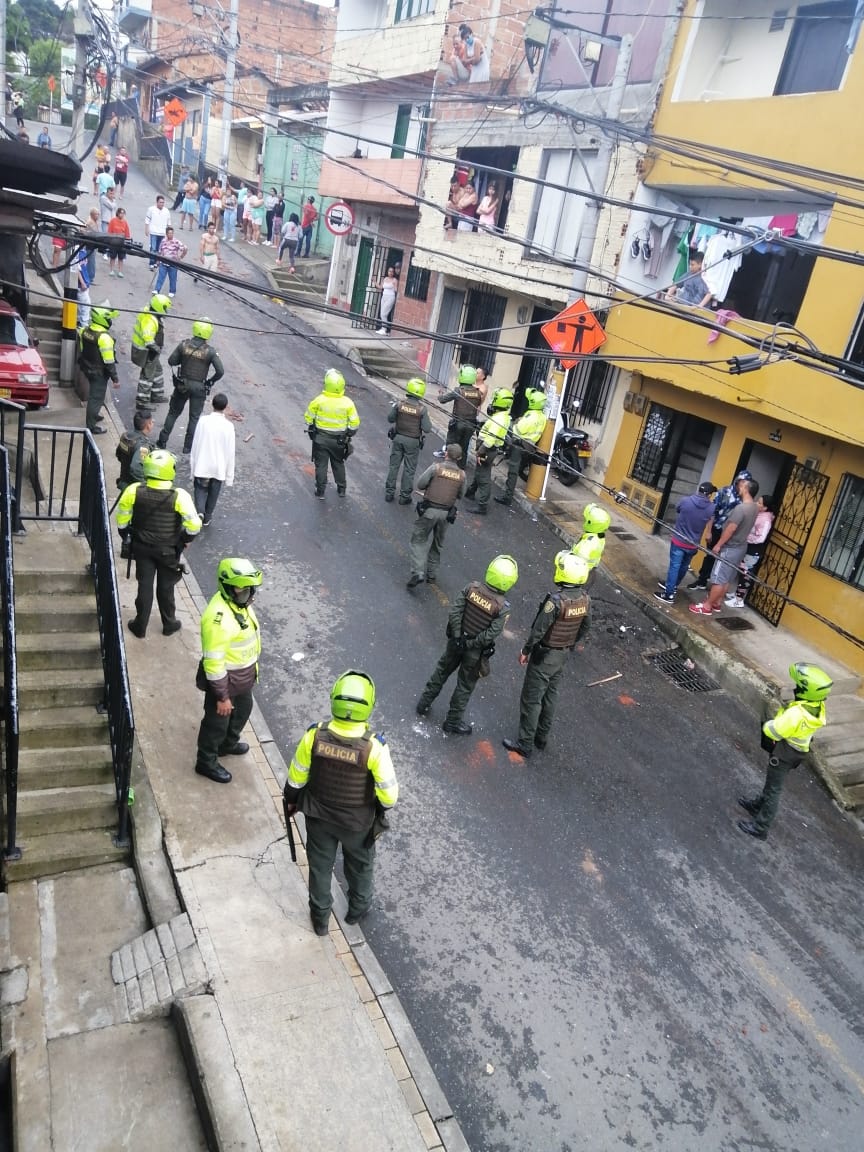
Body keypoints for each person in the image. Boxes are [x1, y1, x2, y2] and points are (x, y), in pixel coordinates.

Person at [283, 670, 398, 935]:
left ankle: (321, 920)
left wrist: (291, 802)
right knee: (360, 866)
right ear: (369, 705)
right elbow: (389, 796)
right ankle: (356, 911)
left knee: (320, 868)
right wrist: (376, 810)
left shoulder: (314, 736)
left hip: (318, 818)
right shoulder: (374, 748)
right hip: (356, 823)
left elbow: (296, 779)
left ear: (333, 699)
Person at [503, 552, 591, 758]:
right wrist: (569, 643)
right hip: (562, 655)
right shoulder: (585, 599)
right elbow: (585, 627)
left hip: (544, 656)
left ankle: (524, 743)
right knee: (551, 696)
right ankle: (541, 738)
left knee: (532, 699)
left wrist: (526, 650)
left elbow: (539, 630)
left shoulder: (556, 601)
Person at [416, 554, 518, 734]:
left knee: (441, 671)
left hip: (455, 643)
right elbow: (490, 635)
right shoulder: (503, 608)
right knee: (464, 686)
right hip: (474, 653)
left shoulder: (471, 588)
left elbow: (455, 612)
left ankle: (423, 704)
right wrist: (470, 644)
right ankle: (452, 722)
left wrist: (457, 637)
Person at [738, 663, 831, 840]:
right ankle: (758, 805)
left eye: (799, 686)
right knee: (772, 783)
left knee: (774, 789)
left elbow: (775, 731)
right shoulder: (817, 707)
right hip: (797, 752)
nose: (795, 688)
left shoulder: (797, 713)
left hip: (784, 753)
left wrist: (768, 724)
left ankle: (761, 826)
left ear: (807, 691)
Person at [117, 449, 201, 639]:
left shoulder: (134, 490)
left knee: (144, 586)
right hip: (168, 550)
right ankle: (169, 624)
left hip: (142, 548)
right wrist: (184, 541)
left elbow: (122, 521)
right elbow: (194, 526)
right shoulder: (179, 496)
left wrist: (126, 537)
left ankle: (140, 626)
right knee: (166, 586)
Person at [194, 558, 262, 784]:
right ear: (228, 588)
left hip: (241, 678)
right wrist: (222, 697)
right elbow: (213, 664)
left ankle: (227, 744)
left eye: (249, 589)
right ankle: (206, 761)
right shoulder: (218, 619)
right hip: (224, 682)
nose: (248, 594)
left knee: (244, 709)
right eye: (242, 589)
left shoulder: (237, 604)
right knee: (216, 724)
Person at [690, 477, 760, 616]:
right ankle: (717, 602)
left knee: (718, 578)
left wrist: (719, 545)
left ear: (747, 489)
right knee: (727, 577)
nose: (739, 487)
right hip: (741, 547)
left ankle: (707, 606)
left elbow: (731, 529)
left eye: (742, 485)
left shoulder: (741, 509)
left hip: (730, 547)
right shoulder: (754, 507)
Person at [158, 317, 225, 454]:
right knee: (194, 418)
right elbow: (220, 371)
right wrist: (209, 382)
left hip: (182, 385)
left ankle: (162, 441)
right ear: (208, 333)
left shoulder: (184, 345)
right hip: (199, 388)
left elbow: (171, 361)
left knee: (173, 413)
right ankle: (187, 447)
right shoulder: (210, 351)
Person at [407, 443, 466, 588]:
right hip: (446, 514)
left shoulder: (436, 468)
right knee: (438, 544)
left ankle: (418, 571)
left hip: (429, 511)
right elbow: (461, 494)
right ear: (459, 458)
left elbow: (420, 484)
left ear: (446, 454)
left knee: (419, 540)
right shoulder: (462, 475)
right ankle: (432, 575)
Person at [690, 469, 754, 589]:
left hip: (731, 535)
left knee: (724, 562)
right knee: (710, 556)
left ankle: (716, 588)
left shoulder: (746, 500)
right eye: (741, 482)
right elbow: (712, 512)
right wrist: (708, 531)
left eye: (745, 483)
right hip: (717, 529)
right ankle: (702, 581)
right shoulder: (724, 491)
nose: (742, 485)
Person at [654, 482, 717, 603]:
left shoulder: (685, 501)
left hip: (678, 540)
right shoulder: (711, 508)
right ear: (709, 495)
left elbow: (678, 510)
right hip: (693, 544)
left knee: (674, 567)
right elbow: (711, 518)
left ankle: (669, 594)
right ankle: (672, 586)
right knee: (683, 566)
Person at [304, 368, 360, 498]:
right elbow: (354, 424)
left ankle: (321, 491)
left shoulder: (319, 400)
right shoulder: (348, 403)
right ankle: (341, 489)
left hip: (321, 439)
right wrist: (349, 434)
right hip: (339, 441)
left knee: (321, 465)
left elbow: (308, 418)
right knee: (338, 463)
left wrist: (313, 426)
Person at [465, 387, 514, 515]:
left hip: (487, 450)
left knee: (484, 477)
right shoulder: (502, 416)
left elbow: (490, 439)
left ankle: (482, 506)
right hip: (488, 449)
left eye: (495, 399)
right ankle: (470, 492)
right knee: (480, 471)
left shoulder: (498, 419)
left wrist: (480, 451)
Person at [189, 392, 235, 526]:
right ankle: (207, 516)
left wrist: (193, 466)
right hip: (219, 467)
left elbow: (195, 443)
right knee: (214, 492)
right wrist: (229, 476)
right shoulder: (229, 426)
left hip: (203, 463)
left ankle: (199, 511)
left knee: (200, 488)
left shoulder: (203, 421)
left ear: (212, 405)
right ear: (225, 407)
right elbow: (230, 452)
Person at [495, 387, 546, 506]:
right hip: (530, 446)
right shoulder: (542, 416)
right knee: (517, 469)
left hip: (520, 444)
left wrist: (517, 423)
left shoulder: (531, 417)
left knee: (513, 472)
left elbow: (517, 430)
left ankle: (507, 497)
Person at [385, 377, 432, 504]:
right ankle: (404, 497)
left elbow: (390, 419)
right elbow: (427, 429)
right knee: (409, 469)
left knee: (394, 466)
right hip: (413, 442)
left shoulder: (399, 404)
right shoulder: (422, 409)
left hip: (398, 438)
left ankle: (389, 493)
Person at [78, 305, 119, 434]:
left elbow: (82, 348)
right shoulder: (105, 338)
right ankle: (90, 426)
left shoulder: (84, 330)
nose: (110, 321)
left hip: (87, 367)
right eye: (108, 318)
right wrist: (115, 379)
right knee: (96, 398)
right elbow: (109, 362)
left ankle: (94, 415)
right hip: (99, 373)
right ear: (102, 319)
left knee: (95, 397)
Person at [728, 494, 775, 607]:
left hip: (753, 550)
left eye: (759, 503)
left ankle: (739, 600)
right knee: (742, 570)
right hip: (748, 547)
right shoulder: (759, 515)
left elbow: (761, 538)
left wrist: (746, 537)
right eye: (757, 501)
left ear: (765, 508)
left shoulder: (766, 519)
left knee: (746, 573)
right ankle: (736, 594)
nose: (756, 504)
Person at [131, 293, 171, 410]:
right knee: (147, 376)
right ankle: (142, 401)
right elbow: (148, 341)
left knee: (157, 371)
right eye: (165, 308)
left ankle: (156, 395)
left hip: (149, 352)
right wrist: (157, 349)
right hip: (147, 352)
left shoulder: (150, 313)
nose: (167, 311)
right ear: (159, 307)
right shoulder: (150, 320)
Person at [436, 364, 483, 462]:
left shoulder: (458, 391)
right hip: (471, 425)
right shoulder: (478, 393)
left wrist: (440, 393)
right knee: (464, 448)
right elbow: (477, 405)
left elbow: (442, 400)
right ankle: (461, 469)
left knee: (451, 446)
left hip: (458, 424)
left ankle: (449, 467)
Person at [115, 409, 154, 490]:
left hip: (123, 482)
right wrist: (144, 486)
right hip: (132, 489)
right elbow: (136, 468)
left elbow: (118, 454)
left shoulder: (126, 436)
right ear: (148, 425)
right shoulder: (143, 447)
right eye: (152, 422)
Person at [570, 503, 612, 575]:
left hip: (578, 572)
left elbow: (579, 561)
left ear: (591, 523)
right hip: (589, 570)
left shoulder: (590, 541)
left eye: (586, 520)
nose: (585, 521)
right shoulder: (599, 536)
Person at [154, 226, 188, 297]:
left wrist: (181, 257)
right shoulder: (163, 241)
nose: (171, 234)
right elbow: (160, 251)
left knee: (173, 278)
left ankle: (172, 291)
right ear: (166, 234)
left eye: (172, 233)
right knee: (160, 277)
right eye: (169, 233)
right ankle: (157, 290)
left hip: (173, 263)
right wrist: (157, 260)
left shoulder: (176, 241)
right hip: (163, 262)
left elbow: (185, 248)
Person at [144, 194, 171, 270]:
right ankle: (151, 263)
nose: (162, 204)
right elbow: (147, 220)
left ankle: (156, 262)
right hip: (153, 232)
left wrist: (169, 234)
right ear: (157, 202)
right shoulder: (151, 209)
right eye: (160, 202)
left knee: (160, 249)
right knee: (153, 248)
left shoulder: (166, 211)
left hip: (162, 233)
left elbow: (169, 223)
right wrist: (146, 229)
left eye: (163, 202)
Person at [107, 206, 131, 277]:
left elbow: (127, 233)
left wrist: (127, 240)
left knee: (121, 258)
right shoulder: (113, 221)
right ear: (118, 213)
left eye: (123, 213)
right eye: (121, 213)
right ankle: (111, 270)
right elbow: (109, 231)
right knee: (112, 257)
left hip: (122, 243)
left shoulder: (125, 222)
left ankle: (120, 271)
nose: (122, 215)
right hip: (113, 242)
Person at [377, 266, 398, 335]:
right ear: (387, 272)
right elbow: (381, 287)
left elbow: (396, 290)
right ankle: (383, 329)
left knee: (384, 314)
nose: (390, 273)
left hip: (390, 297)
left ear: (394, 272)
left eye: (392, 271)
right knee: (381, 313)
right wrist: (374, 282)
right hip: (384, 297)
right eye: (389, 271)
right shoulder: (385, 278)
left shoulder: (395, 280)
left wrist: (395, 287)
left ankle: (384, 329)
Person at [199, 221, 220, 285]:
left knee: (213, 271)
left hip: (213, 256)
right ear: (208, 228)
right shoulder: (204, 236)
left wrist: (218, 257)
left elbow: (217, 248)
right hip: (206, 256)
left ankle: (210, 285)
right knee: (204, 271)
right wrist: (202, 256)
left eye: (213, 228)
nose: (212, 230)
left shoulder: (216, 238)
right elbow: (201, 246)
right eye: (210, 228)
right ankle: (198, 276)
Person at [76, 248, 92, 329]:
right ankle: (84, 325)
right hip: (81, 285)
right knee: (86, 305)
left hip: (85, 283)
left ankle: (79, 322)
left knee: (80, 306)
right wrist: (82, 283)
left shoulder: (84, 250)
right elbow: (75, 268)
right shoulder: (76, 250)